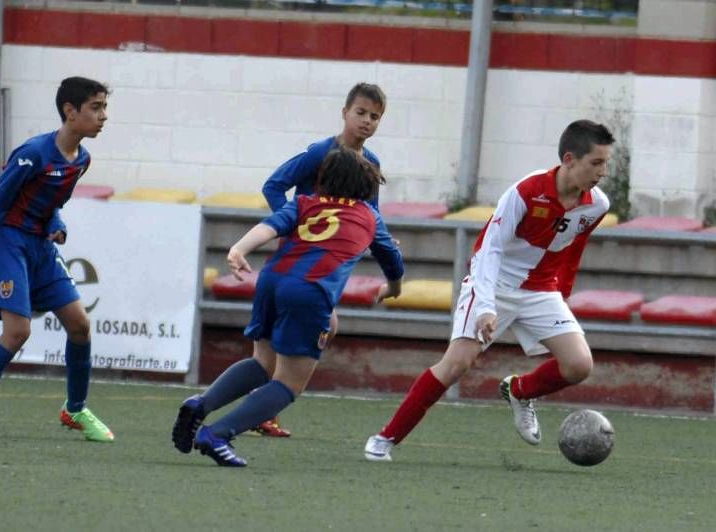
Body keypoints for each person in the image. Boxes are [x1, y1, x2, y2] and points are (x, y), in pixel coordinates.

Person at [364, 119, 614, 462]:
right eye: (596, 163)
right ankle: (385, 438)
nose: (603, 171)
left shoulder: (597, 204)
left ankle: (519, 391)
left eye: (606, 163)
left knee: (578, 365)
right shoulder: (525, 192)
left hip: (540, 289)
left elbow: (573, 249)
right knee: (456, 365)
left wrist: (563, 294)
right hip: (492, 283)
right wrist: (485, 306)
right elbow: (488, 250)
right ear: (569, 159)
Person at [173, 147, 404, 466]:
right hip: (308, 292)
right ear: (363, 183)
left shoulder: (304, 202)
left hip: (271, 281)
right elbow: (391, 260)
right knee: (288, 384)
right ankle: (218, 433)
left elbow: (269, 227)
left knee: (262, 363)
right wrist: (392, 288)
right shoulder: (368, 214)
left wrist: (238, 249)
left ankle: (201, 404)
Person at [0, 77, 114, 443]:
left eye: (104, 108)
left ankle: (76, 409)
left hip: (40, 247)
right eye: (96, 108)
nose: (104, 116)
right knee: (18, 332)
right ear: (70, 112)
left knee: (80, 326)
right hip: (9, 243)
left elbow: (49, 203)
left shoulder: (81, 159)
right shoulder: (32, 153)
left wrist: (57, 224)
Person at [257, 82, 387, 437]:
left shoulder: (370, 163)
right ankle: (260, 409)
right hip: (300, 256)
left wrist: (380, 242)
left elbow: (369, 212)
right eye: (361, 113)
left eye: (375, 117)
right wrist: (290, 223)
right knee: (308, 328)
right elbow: (273, 185)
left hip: (326, 260)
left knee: (319, 326)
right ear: (344, 113)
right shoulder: (319, 152)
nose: (367, 121)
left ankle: (262, 407)